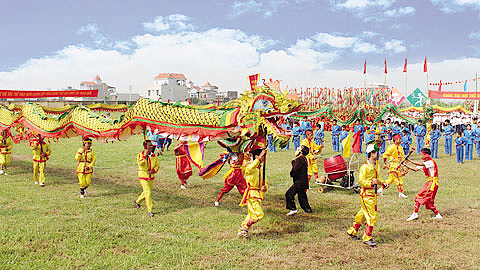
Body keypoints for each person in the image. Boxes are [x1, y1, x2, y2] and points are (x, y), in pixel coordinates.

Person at [347, 144, 385, 247]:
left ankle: (352, 231)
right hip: (366, 195)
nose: (378, 154)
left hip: (373, 195)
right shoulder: (364, 167)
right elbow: (361, 181)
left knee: (363, 214)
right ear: (372, 154)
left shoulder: (376, 165)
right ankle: (367, 237)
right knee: (372, 216)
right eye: (377, 152)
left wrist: (382, 183)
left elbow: (378, 178)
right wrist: (372, 183)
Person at [404, 148, 443, 221]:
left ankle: (415, 214)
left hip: (432, 184)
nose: (420, 156)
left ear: (426, 155)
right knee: (428, 202)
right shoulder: (426, 163)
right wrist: (405, 165)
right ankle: (438, 215)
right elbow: (415, 169)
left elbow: (420, 164)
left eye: (421, 154)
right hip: (430, 183)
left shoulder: (430, 162)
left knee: (418, 197)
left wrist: (409, 160)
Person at [237, 148, 268, 238]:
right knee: (259, 215)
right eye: (262, 157)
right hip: (251, 195)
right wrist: (261, 155)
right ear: (257, 157)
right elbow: (251, 166)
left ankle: (242, 230)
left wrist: (264, 187)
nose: (263, 159)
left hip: (257, 195)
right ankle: (245, 228)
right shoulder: (250, 167)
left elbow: (264, 183)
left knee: (251, 214)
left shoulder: (261, 169)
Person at [133, 140, 160, 217]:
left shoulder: (154, 155)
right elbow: (140, 163)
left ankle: (137, 202)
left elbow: (157, 165)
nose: (151, 146)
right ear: (145, 146)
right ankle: (150, 210)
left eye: (151, 145)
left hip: (151, 176)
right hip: (143, 176)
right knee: (148, 192)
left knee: (146, 192)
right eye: (149, 145)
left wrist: (153, 171)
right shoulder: (140, 155)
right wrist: (145, 155)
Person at [285, 145, 312, 216]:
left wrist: (293, 164)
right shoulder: (303, 158)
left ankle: (293, 209)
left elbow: (295, 170)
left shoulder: (300, 159)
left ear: (301, 152)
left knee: (289, 194)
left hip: (299, 182)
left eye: (299, 148)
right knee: (302, 196)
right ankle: (308, 209)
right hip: (303, 181)